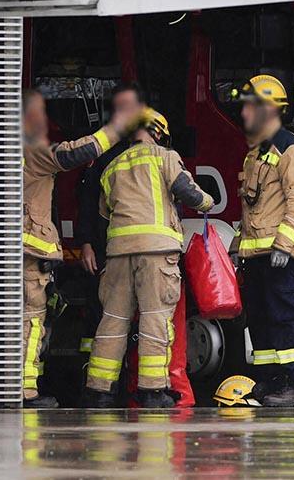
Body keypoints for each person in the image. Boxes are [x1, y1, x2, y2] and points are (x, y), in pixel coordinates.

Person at [82, 108, 214, 409]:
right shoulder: (164, 156)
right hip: (156, 253)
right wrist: (209, 201)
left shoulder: (112, 166)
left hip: (118, 254)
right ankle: (153, 390)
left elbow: (104, 213)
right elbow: (189, 193)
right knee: (155, 319)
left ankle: (99, 390)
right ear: (158, 132)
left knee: (113, 321)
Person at [21, 88, 134, 408]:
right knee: (30, 322)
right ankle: (24, 392)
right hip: (28, 254)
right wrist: (117, 128)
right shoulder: (32, 151)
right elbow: (75, 153)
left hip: (4, 250)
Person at [235, 74, 294, 407]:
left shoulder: (289, 148)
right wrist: (238, 248)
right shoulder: (256, 153)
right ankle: (270, 381)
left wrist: (283, 245)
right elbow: (252, 209)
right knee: (259, 318)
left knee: (283, 315)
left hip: (278, 253)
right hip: (256, 254)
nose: (244, 113)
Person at [75, 83, 146, 358]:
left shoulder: (155, 151)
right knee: (100, 312)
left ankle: (127, 371)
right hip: (105, 247)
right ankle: (89, 369)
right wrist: (86, 243)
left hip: (139, 249)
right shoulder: (103, 152)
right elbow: (87, 200)